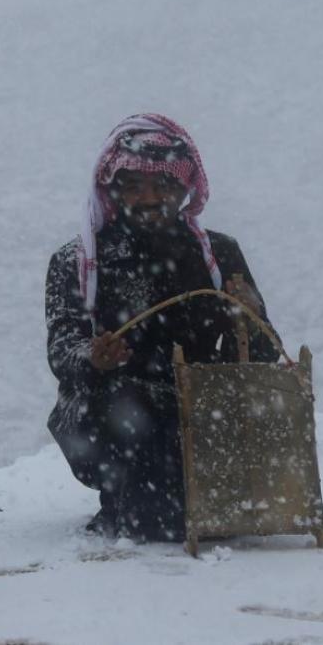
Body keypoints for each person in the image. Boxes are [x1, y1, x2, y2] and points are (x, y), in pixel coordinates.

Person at [45, 113, 280, 542]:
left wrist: (251, 318)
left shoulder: (219, 254)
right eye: (134, 186)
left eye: (163, 185)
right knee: (129, 417)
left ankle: (186, 494)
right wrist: (94, 358)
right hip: (115, 415)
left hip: (205, 411)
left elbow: (263, 355)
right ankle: (130, 500)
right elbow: (62, 350)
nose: (149, 198)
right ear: (113, 190)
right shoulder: (77, 262)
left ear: (184, 188)